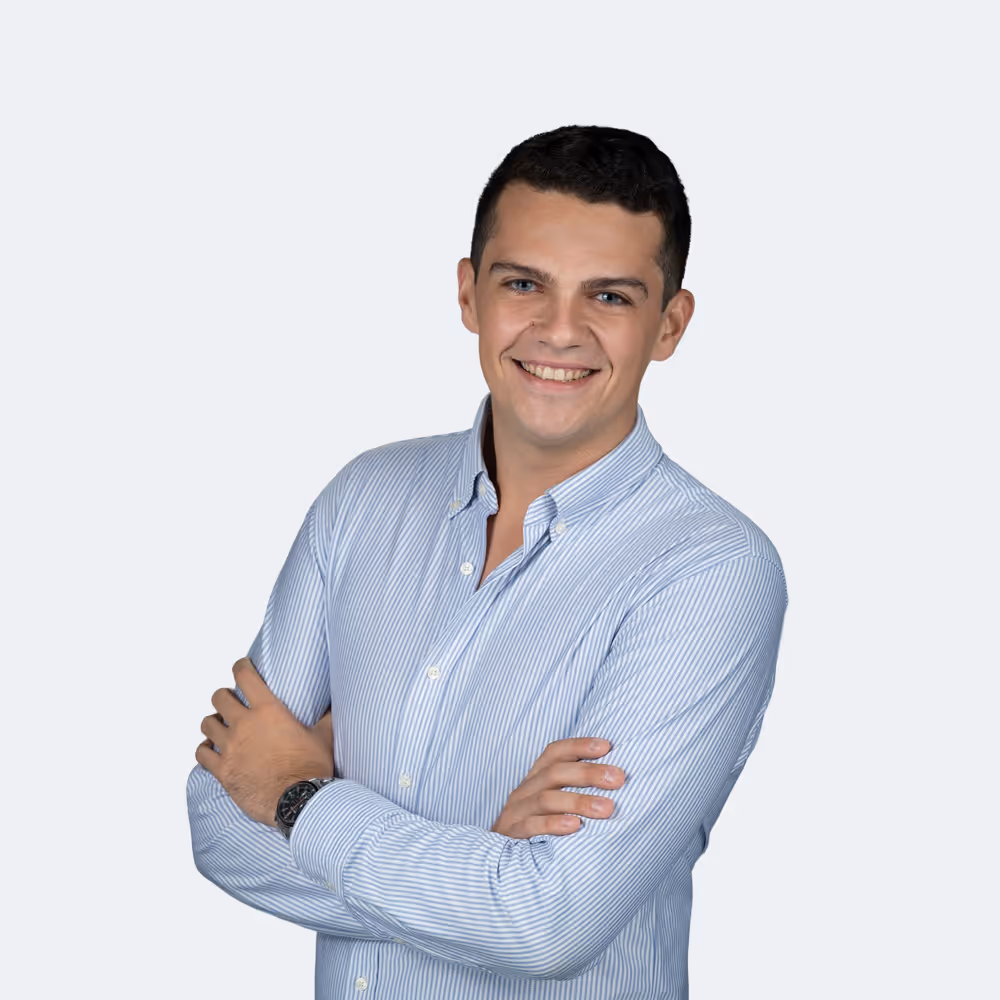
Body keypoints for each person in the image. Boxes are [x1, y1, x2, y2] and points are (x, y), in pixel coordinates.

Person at [187, 124, 788, 998]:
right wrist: (477, 867)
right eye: (524, 284)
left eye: (611, 297)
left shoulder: (710, 572)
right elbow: (214, 821)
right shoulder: (364, 502)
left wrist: (297, 796)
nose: (560, 330)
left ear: (670, 324)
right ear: (470, 294)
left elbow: (547, 923)